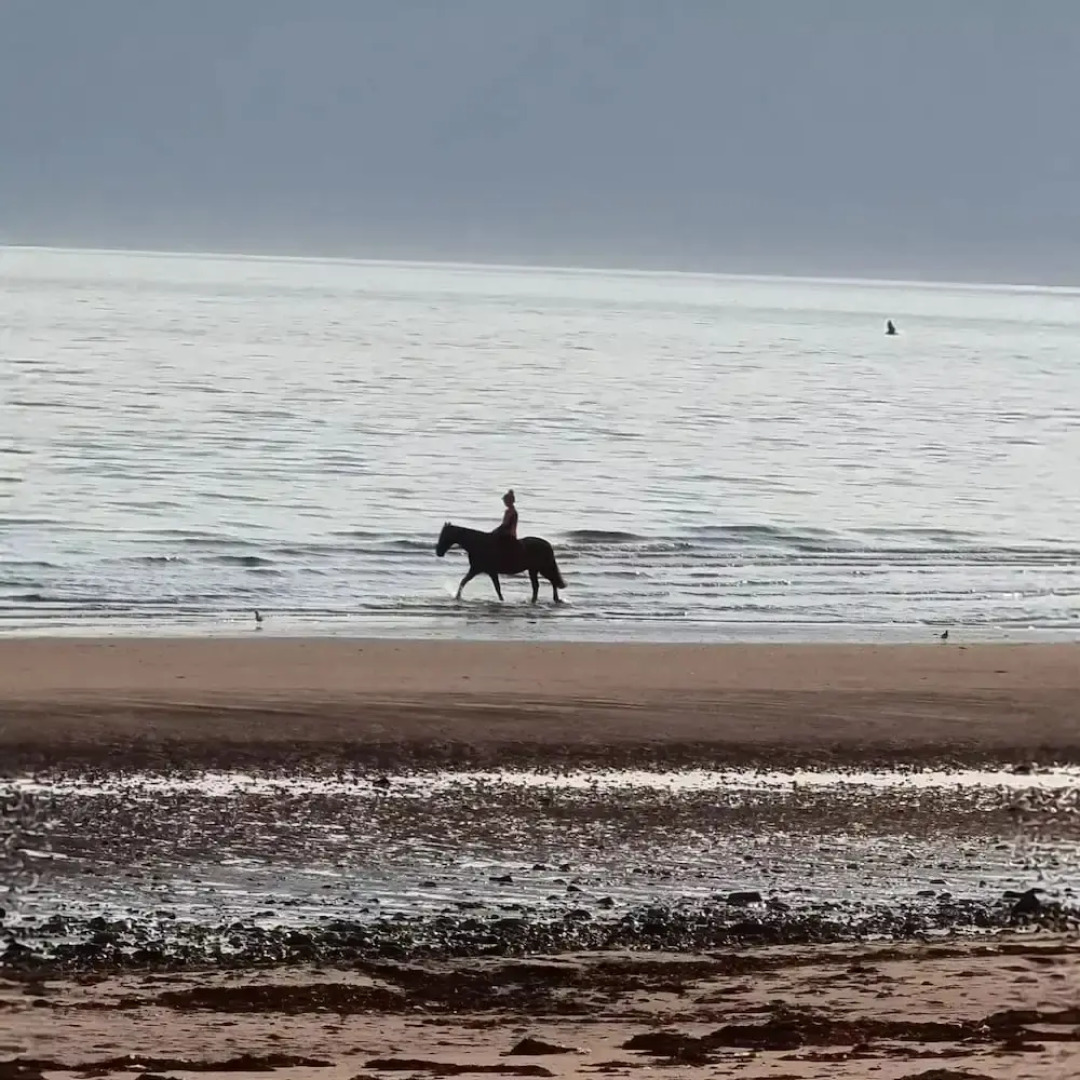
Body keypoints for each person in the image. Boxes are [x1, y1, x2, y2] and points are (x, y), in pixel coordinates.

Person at [493, 489, 524, 568]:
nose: (504, 502)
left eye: (505, 501)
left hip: (509, 534)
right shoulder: (510, 511)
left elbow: (506, 525)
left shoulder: (511, 512)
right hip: (508, 532)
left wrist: (496, 531)